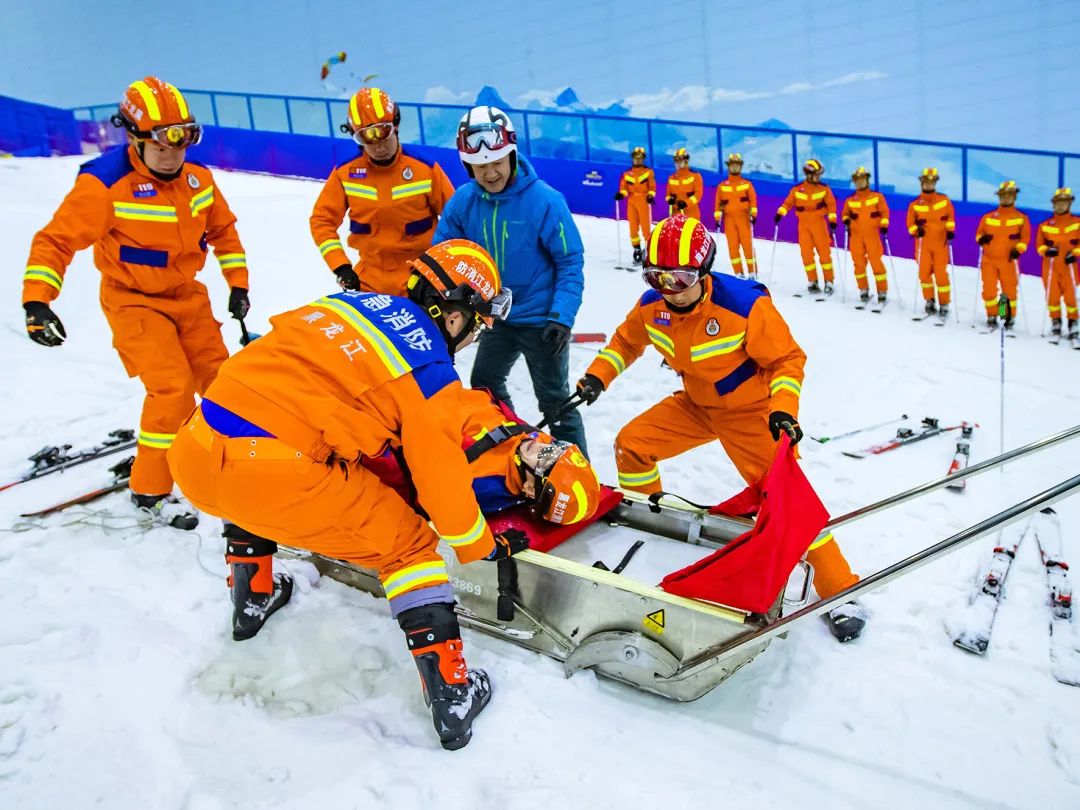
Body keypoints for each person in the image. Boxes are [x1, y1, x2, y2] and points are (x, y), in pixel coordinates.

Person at [166, 239, 524, 750]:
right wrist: (478, 546)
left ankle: (253, 597)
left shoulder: (345, 304)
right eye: (478, 324)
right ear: (453, 315)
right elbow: (441, 484)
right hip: (276, 476)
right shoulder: (428, 368)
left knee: (257, 477)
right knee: (410, 546)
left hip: (195, 452)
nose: (472, 339)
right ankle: (452, 694)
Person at [575, 215, 866, 643]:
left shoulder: (743, 307)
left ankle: (841, 590)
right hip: (695, 405)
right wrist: (598, 376)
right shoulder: (651, 306)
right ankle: (651, 524)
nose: (670, 289)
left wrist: (783, 409)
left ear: (704, 270)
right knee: (632, 445)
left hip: (751, 413)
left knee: (787, 497)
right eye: (658, 276)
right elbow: (626, 342)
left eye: (681, 277)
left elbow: (787, 360)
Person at [22, 76, 250, 530]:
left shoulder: (198, 179)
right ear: (132, 137)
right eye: (161, 142)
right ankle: (150, 491)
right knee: (171, 389)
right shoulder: (105, 184)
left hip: (188, 297)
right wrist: (37, 301)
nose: (172, 152)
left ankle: (240, 465)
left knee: (224, 384)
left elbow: (223, 231)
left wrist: (238, 283)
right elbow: (56, 242)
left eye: (183, 139)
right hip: (134, 302)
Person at [433, 106, 588, 455]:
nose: (490, 173)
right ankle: (517, 449)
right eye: (480, 166)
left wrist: (561, 317)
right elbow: (442, 256)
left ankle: (580, 470)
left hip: (541, 319)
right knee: (485, 386)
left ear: (512, 154)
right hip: (494, 318)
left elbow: (570, 262)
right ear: (467, 165)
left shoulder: (546, 201)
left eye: (497, 162)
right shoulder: (462, 203)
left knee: (555, 400)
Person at [365, 386, 602, 524]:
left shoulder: (480, 485)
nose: (543, 447)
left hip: (389, 407)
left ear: (530, 490)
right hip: (431, 387)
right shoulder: (532, 446)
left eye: (546, 460)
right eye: (557, 448)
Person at [310, 87, 454, 296]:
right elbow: (321, 221)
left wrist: (441, 270)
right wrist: (340, 266)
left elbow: (456, 222)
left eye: (383, 132)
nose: (378, 146)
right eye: (365, 138)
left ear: (395, 125)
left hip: (422, 279)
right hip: (367, 282)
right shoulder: (345, 174)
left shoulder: (426, 170)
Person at [775, 159, 838, 295]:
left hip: (819, 225)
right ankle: (812, 281)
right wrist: (780, 213)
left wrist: (833, 220)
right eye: (815, 174)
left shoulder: (824, 189)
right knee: (807, 255)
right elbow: (788, 203)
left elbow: (831, 205)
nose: (818, 177)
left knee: (825, 255)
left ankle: (829, 281)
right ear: (808, 174)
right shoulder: (797, 190)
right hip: (803, 226)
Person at [975, 181, 1030, 331]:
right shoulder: (988, 217)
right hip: (989, 260)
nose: (1006, 198)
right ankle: (992, 315)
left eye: (1009, 195)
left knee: (1008, 290)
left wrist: (1018, 249)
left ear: (1014, 197)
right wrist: (981, 239)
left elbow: (1025, 239)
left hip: (1008, 260)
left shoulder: (1021, 218)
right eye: (1003, 195)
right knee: (989, 290)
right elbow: (979, 234)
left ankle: (1005, 315)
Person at [905, 168, 956, 319]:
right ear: (922, 183)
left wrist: (950, 230)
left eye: (931, 182)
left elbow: (950, 217)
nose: (928, 185)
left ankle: (944, 304)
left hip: (940, 244)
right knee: (924, 275)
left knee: (941, 275)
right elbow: (909, 223)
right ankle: (929, 300)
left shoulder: (943, 200)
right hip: (923, 245)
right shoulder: (915, 204)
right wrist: (916, 231)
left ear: (935, 183)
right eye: (926, 182)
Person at [841, 167, 890, 306]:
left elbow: (885, 213)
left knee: (876, 263)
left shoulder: (877, 197)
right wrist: (846, 219)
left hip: (872, 235)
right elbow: (845, 214)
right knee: (858, 264)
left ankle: (882, 291)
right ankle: (863, 289)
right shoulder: (850, 200)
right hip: (856, 236)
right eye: (857, 181)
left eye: (862, 180)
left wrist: (884, 225)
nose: (859, 183)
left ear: (867, 180)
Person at [1035, 188, 1079, 341]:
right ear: (1053, 205)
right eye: (1058, 203)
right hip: (1051, 266)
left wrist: (1075, 253)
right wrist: (1047, 251)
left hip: (1069, 266)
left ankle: (1073, 322)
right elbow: (1039, 245)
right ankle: (1056, 321)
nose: (1060, 206)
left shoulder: (1077, 223)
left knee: (1070, 297)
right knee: (1052, 296)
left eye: (1064, 203)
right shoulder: (1045, 225)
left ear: (1069, 204)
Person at [713, 153, 758, 278]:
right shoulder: (722, 186)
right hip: (729, 220)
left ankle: (752, 272)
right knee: (733, 248)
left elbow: (753, 200)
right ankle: (738, 273)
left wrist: (753, 214)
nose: (734, 168)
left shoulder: (746, 184)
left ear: (740, 167)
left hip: (743, 218)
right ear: (729, 167)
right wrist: (717, 218)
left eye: (736, 165)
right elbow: (717, 203)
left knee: (747, 246)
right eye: (732, 165)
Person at [614, 146, 656, 265]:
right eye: (635, 158)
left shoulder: (648, 172)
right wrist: (621, 195)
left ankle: (648, 251)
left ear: (643, 159)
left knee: (646, 229)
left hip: (644, 202)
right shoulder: (627, 174)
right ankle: (637, 250)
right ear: (632, 159)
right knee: (633, 228)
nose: (637, 160)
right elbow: (624, 188)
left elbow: (652, 187)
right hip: (631, 202)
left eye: (640, 158)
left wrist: (650, 195)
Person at [665, 148, 703, 220]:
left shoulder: (695, 176)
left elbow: (698, 195)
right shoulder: (671, 178)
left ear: (686, 161)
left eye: (680, 161)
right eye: (676, 161)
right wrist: (669, 199)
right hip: (675, 214)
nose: (678, 163)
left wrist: (686, 203)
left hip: (691, 214)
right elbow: (667, 195)